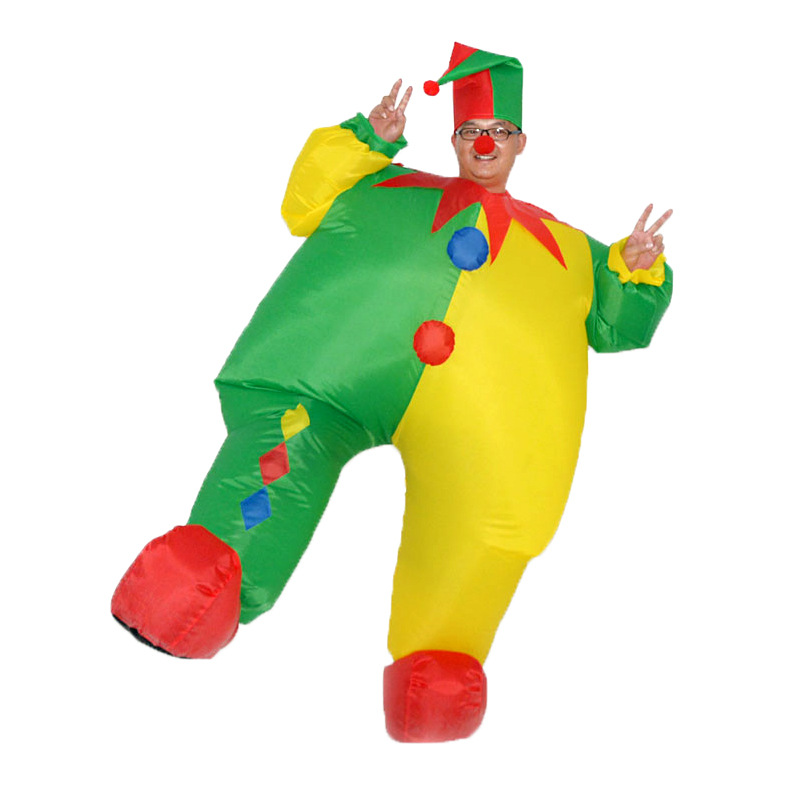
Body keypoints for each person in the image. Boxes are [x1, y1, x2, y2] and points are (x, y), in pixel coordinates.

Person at [112, 43, 673, 743]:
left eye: (499, 131)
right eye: (472, 131)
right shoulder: (385, 185)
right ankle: (198, 584)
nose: (485, 144)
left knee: (485, 521)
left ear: (522, 142)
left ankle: (438, 666)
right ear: (455, 139)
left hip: (483, 422)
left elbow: (620, 329)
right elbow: (303, 202)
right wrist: (365, 140)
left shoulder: (571, 251)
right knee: (281, 453)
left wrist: (634, 269)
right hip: (328, 376)